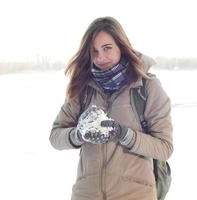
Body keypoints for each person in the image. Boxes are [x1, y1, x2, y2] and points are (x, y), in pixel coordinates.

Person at [49, 16, 173, 200]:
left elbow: (164, 147)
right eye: (94, 51)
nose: (100, 57)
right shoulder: (83, 89)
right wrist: (78, 134)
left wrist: (124, 134)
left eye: (107, 48)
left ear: (121, 46)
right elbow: (55, 137)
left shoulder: (146, 87)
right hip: (86, 195)